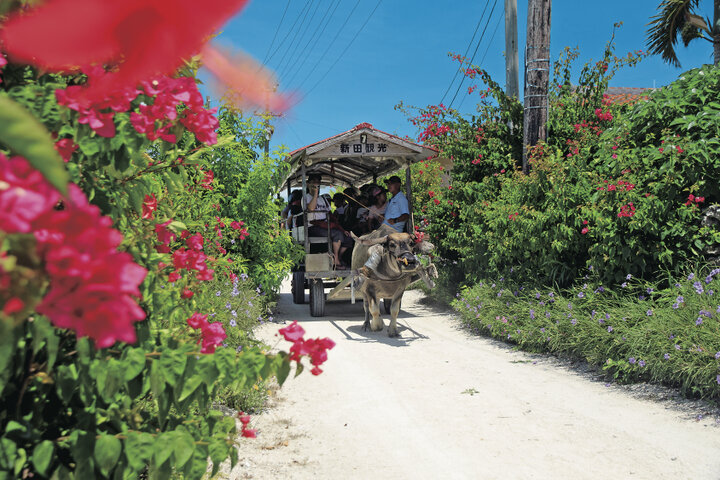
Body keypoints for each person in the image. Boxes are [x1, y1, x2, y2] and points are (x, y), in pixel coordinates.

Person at [305, 173, 353, 268]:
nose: (316, 184)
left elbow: (330, 215)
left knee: (348, 238)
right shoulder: (306, 197)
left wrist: (342, 229)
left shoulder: (323, 199)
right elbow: (310, 209)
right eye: (313, 182)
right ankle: (336, 261)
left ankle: (337, 257)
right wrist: (315, 194)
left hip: (325, 225)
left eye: (318, 182)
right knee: (337, 234)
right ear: (308, 184)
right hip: (313, 227)